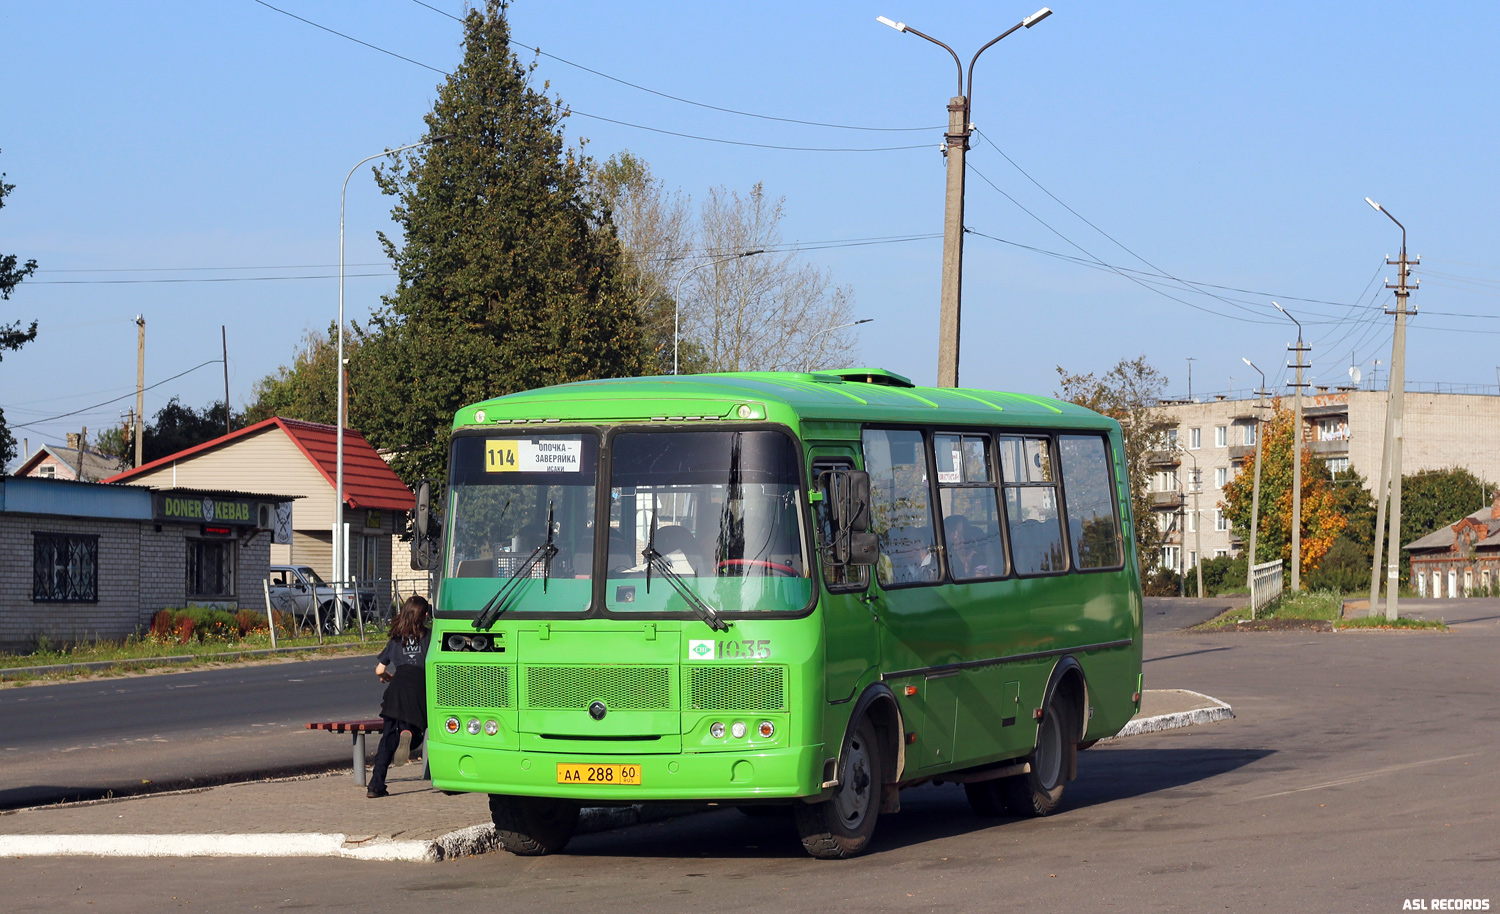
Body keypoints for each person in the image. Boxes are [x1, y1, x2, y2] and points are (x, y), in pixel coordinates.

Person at [367, 595, 431, 799]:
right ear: (425, 615)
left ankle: (375, 785)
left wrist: (387, 677)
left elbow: (379, 670)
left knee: (387, 739)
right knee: (417, 729)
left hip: (396, 689)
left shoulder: (396, 638)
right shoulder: (430, 636)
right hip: (419, 688)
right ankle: (409, 736)